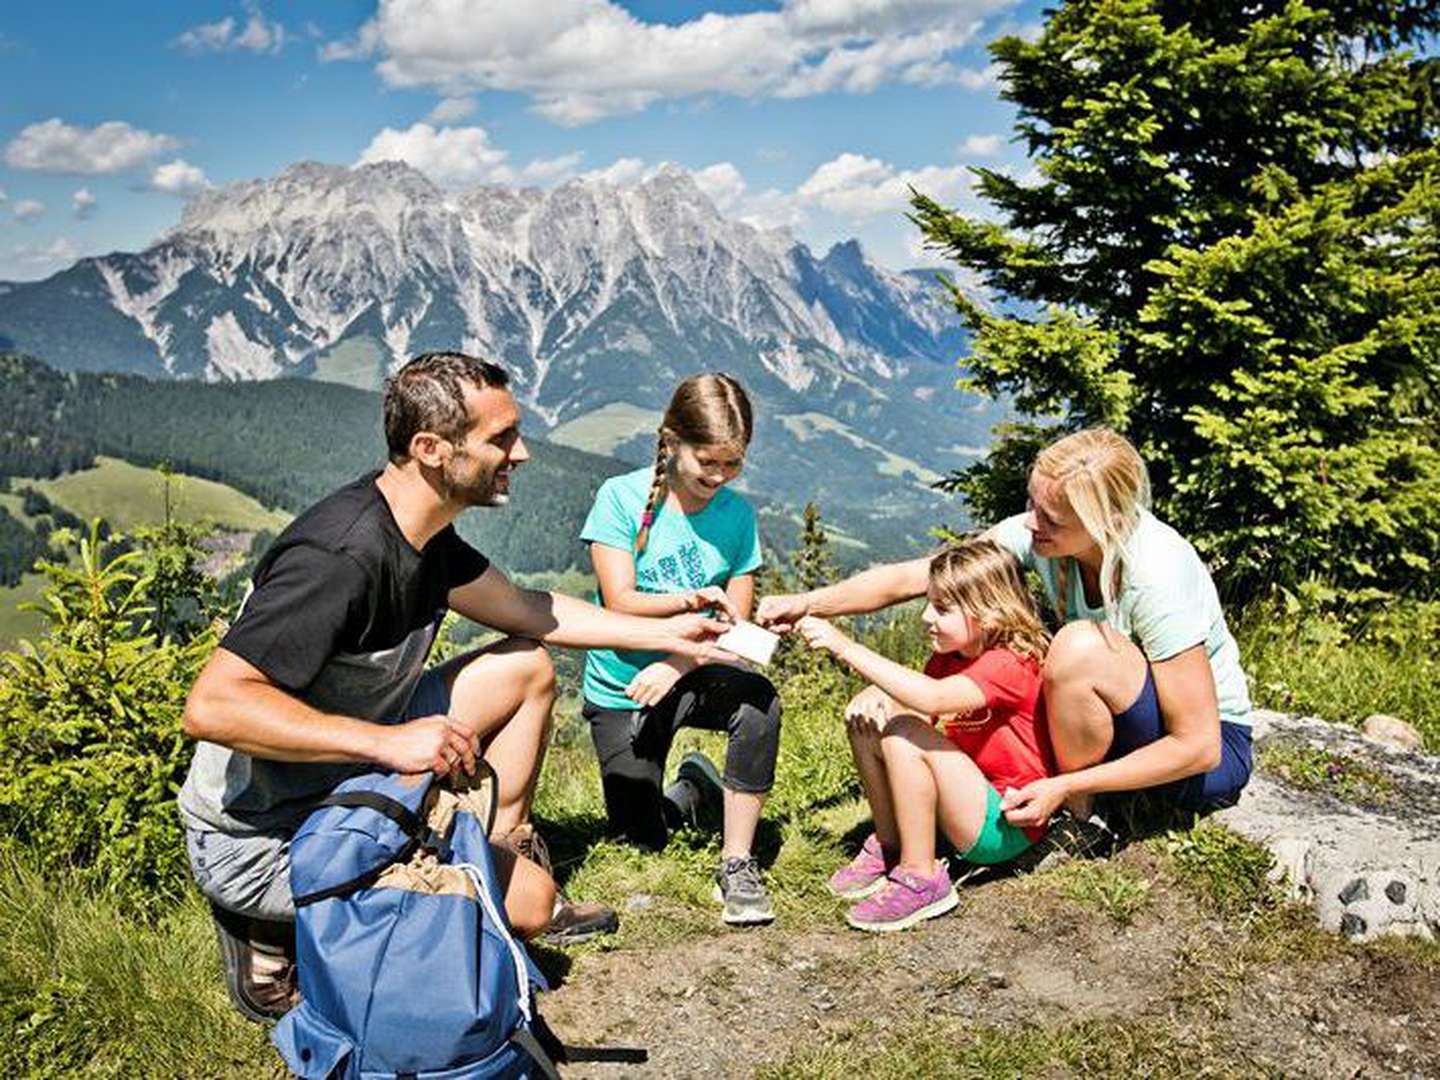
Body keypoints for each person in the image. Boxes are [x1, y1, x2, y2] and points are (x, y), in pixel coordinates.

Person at [179, 352, 726, 1020]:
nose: (521, 454)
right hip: (264, 834)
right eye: (501, 439)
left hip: (348, 771)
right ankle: (264, 929)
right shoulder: (339, 557)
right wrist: (388, 743)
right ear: (431, 449)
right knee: (527, 910)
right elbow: (212, 705)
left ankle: (505, 839)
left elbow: (531, 610)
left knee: (526, 665)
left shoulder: (424, 535)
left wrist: (669, 636)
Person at [759, 426, 1253, 837]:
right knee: (923, 694)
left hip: (1205, 762)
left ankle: (1081, 821)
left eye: (1051, 519)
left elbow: (1200, 745)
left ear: (1107, 521)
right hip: (1117, 724)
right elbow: (919, 576)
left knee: (1077, 646)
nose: (1031, 524)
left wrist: (1061, 787)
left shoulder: (1156, 574)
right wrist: (808, 603)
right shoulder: (1037, 534)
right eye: (1032, 503)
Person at [579, 372, 782, 926]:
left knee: (760, 702)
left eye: (732, 464)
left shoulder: (737, 516)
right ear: (672, 442)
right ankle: (693, 789)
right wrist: (687, 602)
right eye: (707, 462)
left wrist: (675, 662)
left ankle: (736, 861)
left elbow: (734, 629)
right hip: (623, 682)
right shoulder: (619, 497)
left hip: (689, 672)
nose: (718, 477)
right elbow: (619, 603)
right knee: (641, 838)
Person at [796, 539, 1052, 931]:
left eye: (943, 609)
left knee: (901, 733)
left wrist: (845, 647)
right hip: (971, 801)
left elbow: (931, 697)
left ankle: (921, 878)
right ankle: (891, 846)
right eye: (929, 603)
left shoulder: (1009, 664)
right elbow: (922, 707)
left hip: (1007, 823)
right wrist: (879, 696)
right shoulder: (949, 658)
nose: (926, 617)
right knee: (872, 724)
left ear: (988, 612)